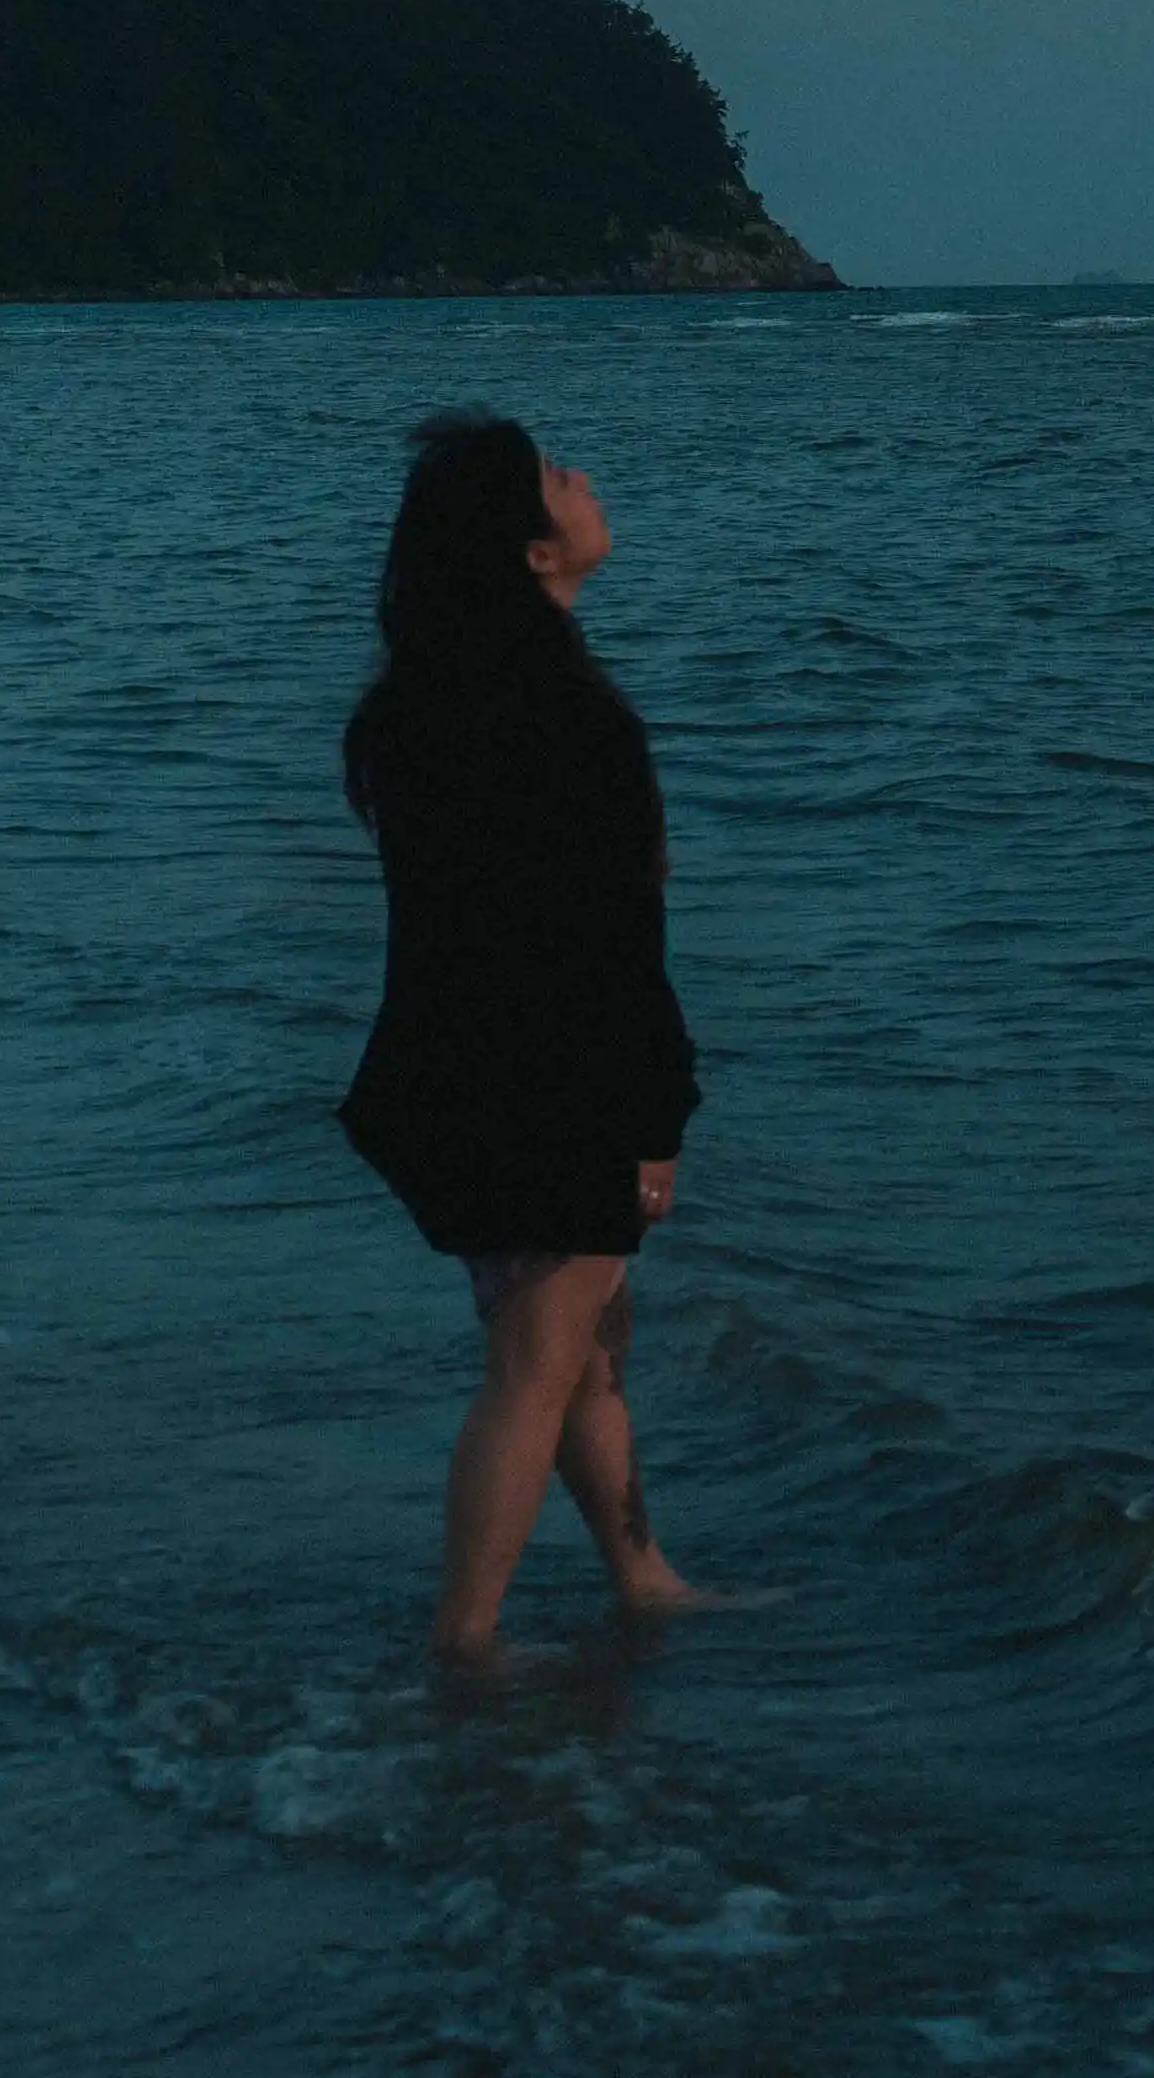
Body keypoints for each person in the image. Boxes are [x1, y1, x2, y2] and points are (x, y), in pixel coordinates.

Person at [339, 412, 709, 1658]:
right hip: (543, 1088)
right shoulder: (575, 724)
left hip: (440, 1077)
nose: (586, 481)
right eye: (557, 477)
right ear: (533, 555)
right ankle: (465, 1648)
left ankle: (640, 1577)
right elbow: (614, 947)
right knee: (537, 1364)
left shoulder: (419, 718)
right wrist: (656, 1119)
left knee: (572, 1346)